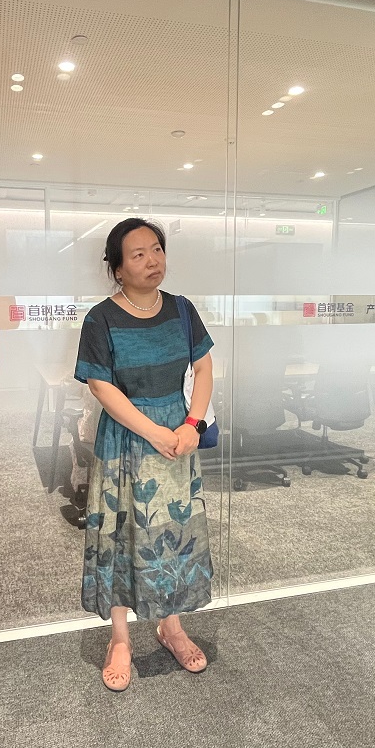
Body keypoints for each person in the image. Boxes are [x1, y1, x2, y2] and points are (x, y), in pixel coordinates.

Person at [74, 217, 215, 691]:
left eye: (157, 249)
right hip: (126, 437)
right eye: (138, 254)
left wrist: (192, 424)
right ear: (117, 268)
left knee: (173, 529)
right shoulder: (100, 318)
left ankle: (170, 627)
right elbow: (101, 386)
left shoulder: (182, 309)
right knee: (121, 534)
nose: (153, 260)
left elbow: (204, 368)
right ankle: (120, 640)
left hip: (178, 434)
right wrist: (154, 431)